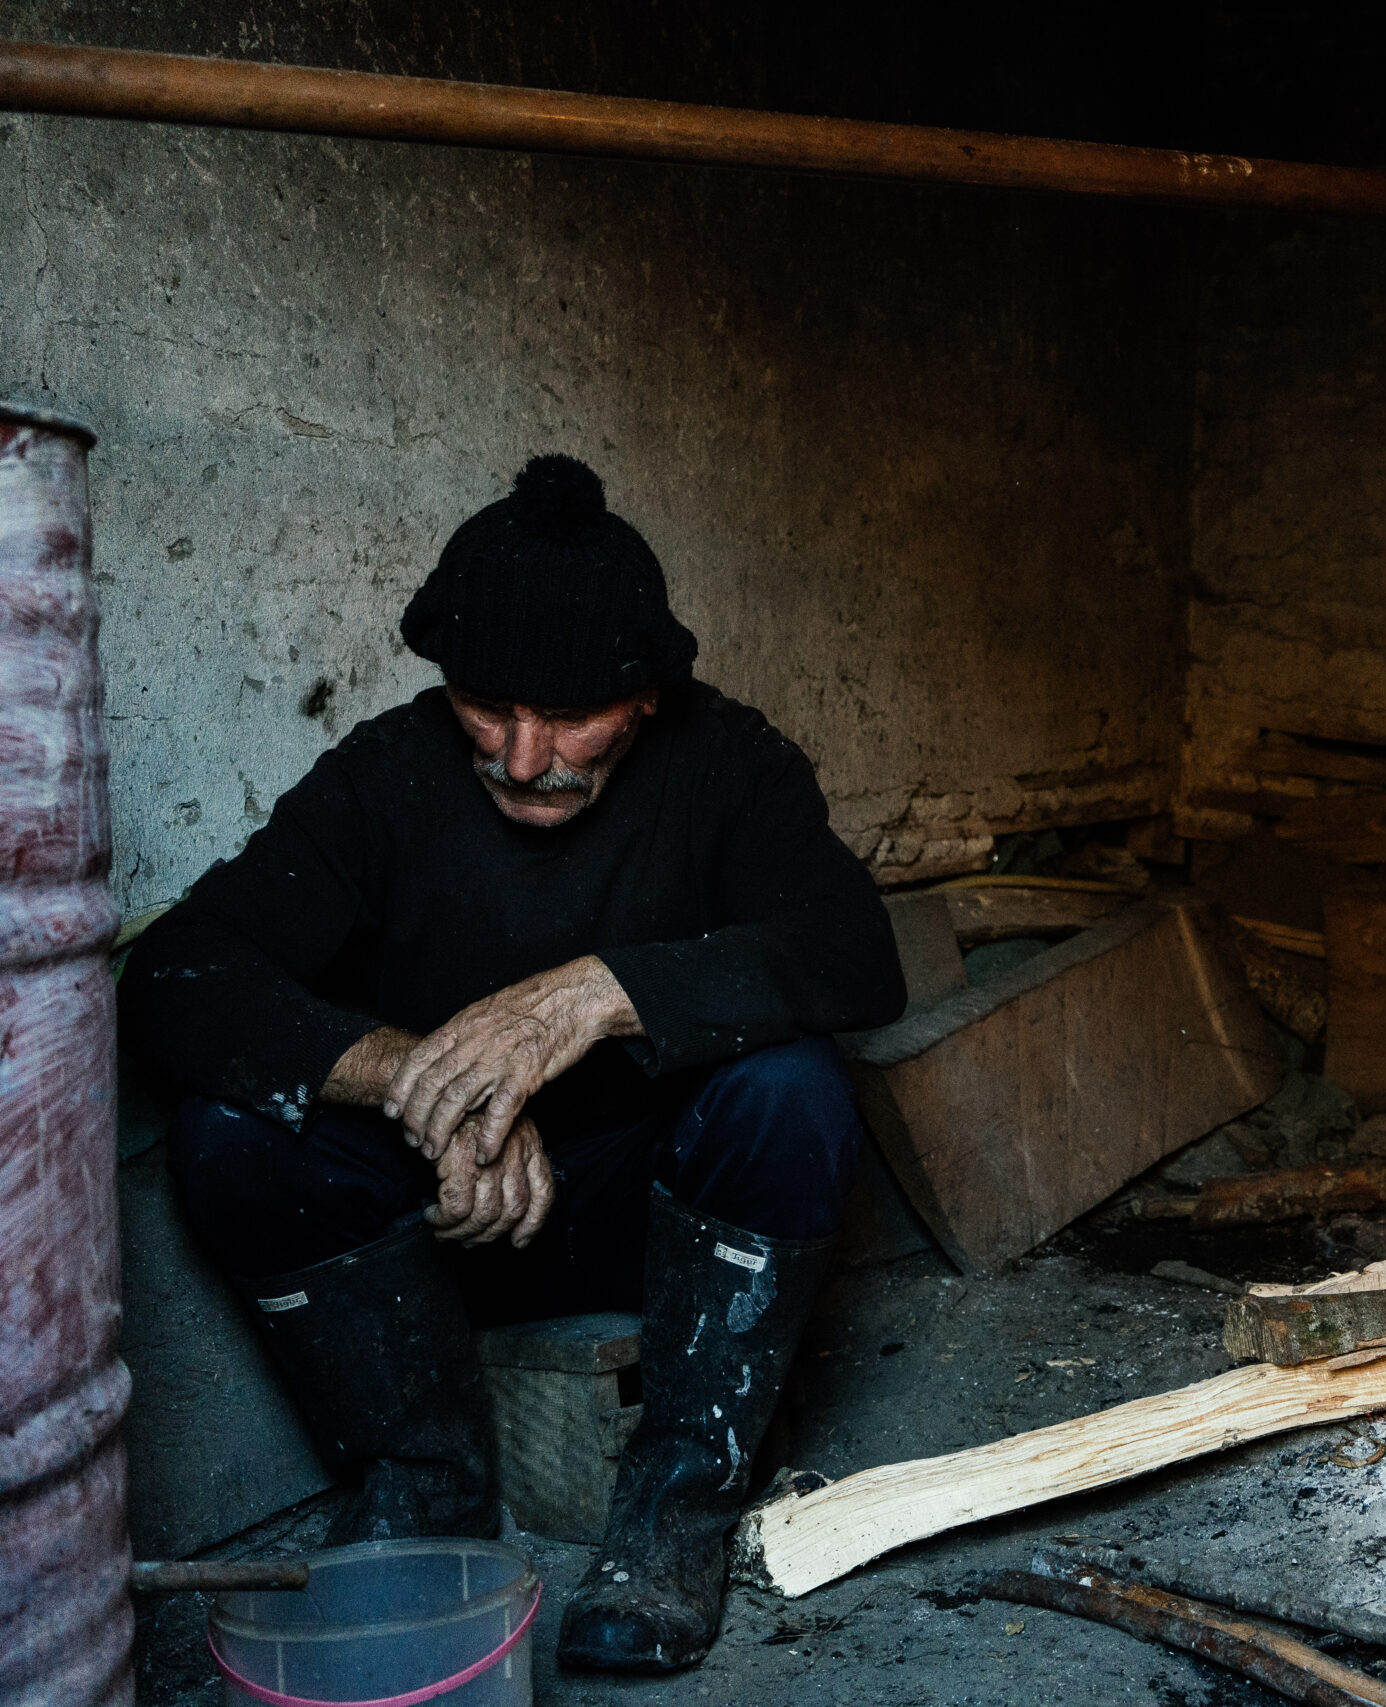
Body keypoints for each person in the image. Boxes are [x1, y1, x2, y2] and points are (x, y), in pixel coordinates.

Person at [121, 454, 906, 1673]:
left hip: (658, 1216)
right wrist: (414, 1083)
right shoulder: (387, 774)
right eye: (490, 708)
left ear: (645, 696)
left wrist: (601, 994)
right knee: (228, 1133)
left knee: (790, 1090)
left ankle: (676, 1512)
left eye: (572, 718)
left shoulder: (732, 767)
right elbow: (175, 975)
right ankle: (424, 1481)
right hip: (445, 1229)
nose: (525, 758)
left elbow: (857, 955)